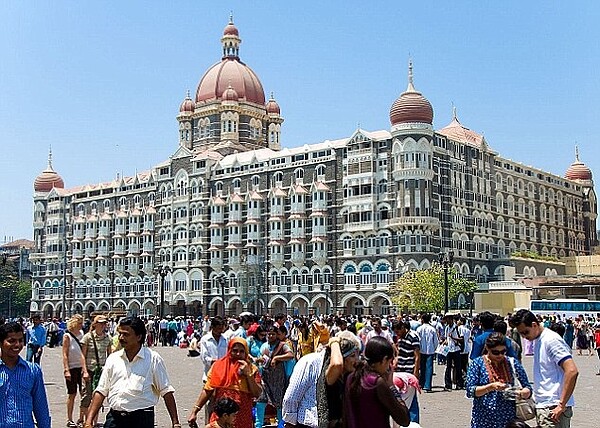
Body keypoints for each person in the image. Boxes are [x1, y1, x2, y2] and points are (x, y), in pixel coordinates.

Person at [83, 317, 181, 428]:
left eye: (126, 335)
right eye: (120, 334)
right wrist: (89, 420)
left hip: (141, 419)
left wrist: (175, 422)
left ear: (139, 337)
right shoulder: (113, 359)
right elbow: (101, 391)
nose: (121, 338)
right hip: (115, 419)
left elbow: (166, 391)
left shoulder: (153, 359)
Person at [510, 309, 579, 428]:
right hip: (546, 406)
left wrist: (561, 405)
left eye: (526, 332)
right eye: (521, 334)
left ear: (534, 324)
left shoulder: (551, 340)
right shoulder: (539, 339)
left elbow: (572, 371)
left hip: (553, 407)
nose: (524, 337)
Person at [282, 331, 361, 428]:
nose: (357, 360)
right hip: (309, 424)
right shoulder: (310, 362)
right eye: (352, 355)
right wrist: (290, 423)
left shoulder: (348, 374)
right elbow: (292, 397)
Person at [187, 338, 262, 428]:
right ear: (229, 350)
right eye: (235, 351)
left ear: (246, 353)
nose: (238, 354)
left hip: (242, 418)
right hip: (221, 418)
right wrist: (195, 411)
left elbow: (257, 394)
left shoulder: (252, 369)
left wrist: (248, 375)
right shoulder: (218, 366)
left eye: (242, 351)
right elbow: (207, 390)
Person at [465, 332, 532, 428]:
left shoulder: (512, 363)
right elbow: (470, 391)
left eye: (503, 351)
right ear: (488, 348)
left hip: (509, 420)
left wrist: (524, 392)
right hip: (483, 420)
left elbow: (527, 386)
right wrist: (490, 387)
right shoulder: (477, 364)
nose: (500, 355)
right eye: (495, 352)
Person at [344, 336, 410, 428]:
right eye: (389, 362)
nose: (389, 367)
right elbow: (404, 419)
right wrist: (391, 386)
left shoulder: (351, 377)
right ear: (384, 360)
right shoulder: (376, 382)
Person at [0, 321, 52, 428]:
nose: (17, 345)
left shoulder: (33, 371)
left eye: (20, 340)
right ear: (1, 343)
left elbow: (41, 407)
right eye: (11, 341)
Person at [256, 325, 294, 428]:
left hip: (278, 380)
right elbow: (260, 359)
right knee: (261, 400)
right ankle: (258, 425)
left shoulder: (282, 345)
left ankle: (281, 425)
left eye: (273, 334)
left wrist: (277, 358)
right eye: (269, 334)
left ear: (277, 335)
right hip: (265, 378)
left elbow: (291, 355)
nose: (271, 336)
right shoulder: (264, 346)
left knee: (279, 403)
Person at [81, 315, 113, 427]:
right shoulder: (87, 337)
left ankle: (93, 422)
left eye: (104, 323)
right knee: (86, 397)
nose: (103, 325)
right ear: (95, 324)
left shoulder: (108, 338)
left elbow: (110, 356)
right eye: (100, 323)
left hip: (101, 372)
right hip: (89, 370)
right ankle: (86, 420)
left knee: (97, 397)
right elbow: (82, 355)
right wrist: (84, 371)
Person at [392, 320, 421, 423]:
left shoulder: (413, 337)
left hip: (409, 372)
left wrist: (415, 373)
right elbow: (399, 352)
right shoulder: (400, 339)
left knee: (412, 400)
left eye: (398, 331)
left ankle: (413, 422)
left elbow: (417, 356)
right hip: (400, 371)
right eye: (396, 332)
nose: (397, 334)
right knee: (401, 399)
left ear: (403, 328)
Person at [63, 314, 88, 427]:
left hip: (81, 367)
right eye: (79, 323)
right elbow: (64, 354)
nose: (81, 325)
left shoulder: (82, 334)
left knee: (84, 394)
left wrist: (85, 368)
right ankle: (69, 419)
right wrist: (66, 369)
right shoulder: (67, 336)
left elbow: (83, 352)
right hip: (71, 368)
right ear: (73, 324)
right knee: (72, 394)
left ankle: (81, 418)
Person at [416, 313, 437, 392]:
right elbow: (435, 341)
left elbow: (417, 340)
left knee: (422, 367)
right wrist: (434, 348)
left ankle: (421, 383)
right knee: (429, 368)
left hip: (421, 350)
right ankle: (428, 385)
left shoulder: (419, 329)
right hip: (430, 350)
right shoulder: (432, 329)